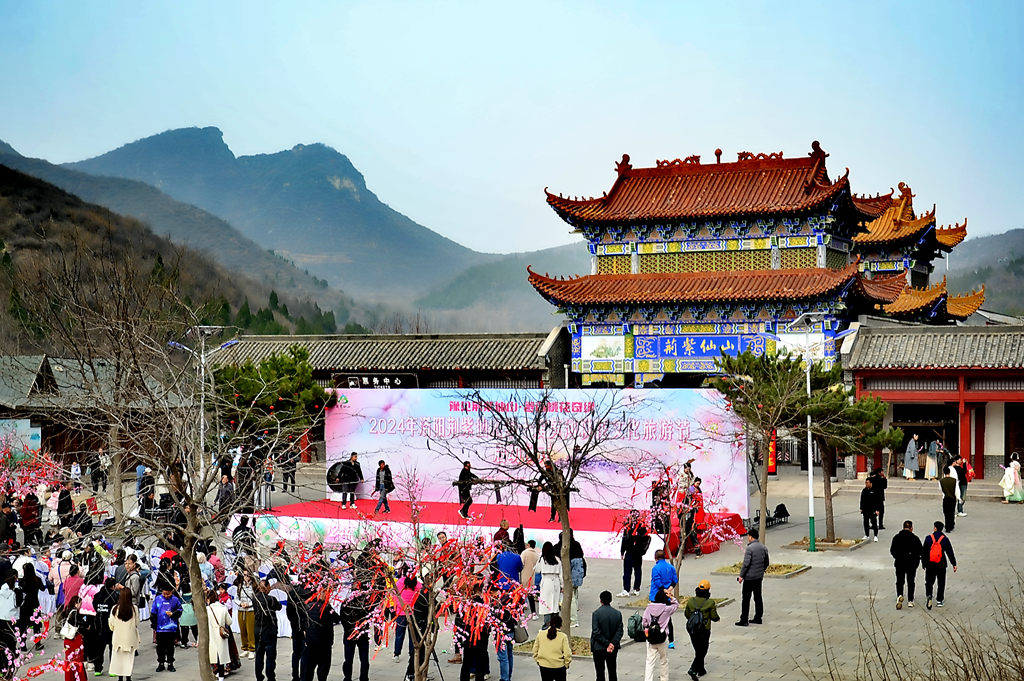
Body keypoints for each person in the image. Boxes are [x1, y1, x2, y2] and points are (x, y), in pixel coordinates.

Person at [683, 579, 720, 681]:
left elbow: (686, 614)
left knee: (698, 649)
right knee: (703, 650)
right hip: (704, 629)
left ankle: (701, 669)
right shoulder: (710, 603)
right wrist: (717, 619)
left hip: (692, 629)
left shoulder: (691, 601)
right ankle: (693, 669)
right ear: (708, 591)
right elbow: (714, 616)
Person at [735, 527, 768, 626]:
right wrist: (761, 571)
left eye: (748, 536)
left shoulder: (749, 549)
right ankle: (758, 617)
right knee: (758, 597)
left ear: (750, 537)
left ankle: (744, 619)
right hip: (758, 577)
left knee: (746, 598)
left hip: (749, 578)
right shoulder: (763, 547)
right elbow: (766, 562)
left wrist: (741, 576)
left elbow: (746, 564)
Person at [642, 589, 677, 681]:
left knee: (650, 661)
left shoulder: (648, 608)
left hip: (651, 639)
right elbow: (676, 605)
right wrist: (672, 597)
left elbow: (644, 622)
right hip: (662, 637)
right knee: (663, 660)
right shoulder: (666, 609)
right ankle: (664, 678)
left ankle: (648, 679)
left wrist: (648, 629)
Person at [921, 521, 957, 609]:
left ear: (935, 528)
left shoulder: (928, 538)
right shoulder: (945, 539)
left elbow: (924, 552)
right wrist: (954, 563)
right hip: (941, 564)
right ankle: (939, 600)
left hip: (930, 564)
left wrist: (924, 563)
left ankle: (929, 595)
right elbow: (949, 552)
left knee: (929, 581)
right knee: (941, 582)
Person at [889, 520, 922, 610]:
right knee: (911, 581)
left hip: (899, 563)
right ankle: (910, 600)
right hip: (911, 564)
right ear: (911, 528)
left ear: (903, 527)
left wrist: (898, 557)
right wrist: (916, 561)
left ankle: (899, 595)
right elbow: (920, 551)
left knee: (900, 580)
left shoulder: (896, 537)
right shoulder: (915, 538)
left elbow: (892, 550)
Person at [253, 579, 282, 681]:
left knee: (259, 655)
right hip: (269, 630)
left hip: (258, 630)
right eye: (268, 587)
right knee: (270, 656)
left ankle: (259, 676)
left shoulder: (255, 598)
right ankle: (270, 676)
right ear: (265, 588)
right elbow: (279, 607)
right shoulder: (271, 599)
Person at [591, 590, 623, 681]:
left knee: (600, 673)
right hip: (613, 648)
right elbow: (620, 631)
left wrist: (607, 644)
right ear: (611, 600)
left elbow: (596, 632)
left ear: (600, 600)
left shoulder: (596, 614)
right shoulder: (617, 614)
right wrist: (612, 644)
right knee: (612, 671)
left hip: (599, 647)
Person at [109, 587, 139, 681]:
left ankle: (120, 678)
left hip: (118, 639)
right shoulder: (134, 609)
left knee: (119, 661)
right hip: (130, 639)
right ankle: (128, 678)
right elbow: (136, 623)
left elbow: (111, 626)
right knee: (128, 661)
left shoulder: (114, 609)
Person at [150, 583, 182, 672]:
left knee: (170, 647)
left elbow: (180, 610)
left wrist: (173, 614)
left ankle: (170, 663)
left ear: (171, 592)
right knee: (160, 647)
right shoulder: (158, 599)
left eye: (168, 594)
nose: (166, 596)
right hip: (160, 629)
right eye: (164, 594)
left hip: (171, 628)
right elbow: (153, 613)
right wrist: (154, 625)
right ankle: (161, 663)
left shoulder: (175, 600)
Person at [532, 613, 571, 681]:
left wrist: (538, 661)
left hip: (544, 666)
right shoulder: (563, 636)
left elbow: (535, 650)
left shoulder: (541, 634)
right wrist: (566, 664)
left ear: (549, 623)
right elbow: (567, 653)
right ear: (560, 625)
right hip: (559, 666)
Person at [619, 512, 651, 597]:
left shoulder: (642, 527)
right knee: (627, 572)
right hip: (629, 552)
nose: (633, 518)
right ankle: (626, 589)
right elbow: (624, 539)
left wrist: (642, 551)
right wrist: (622, 551)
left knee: (637, 571)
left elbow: (645, 539)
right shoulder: (627, 527)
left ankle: (636, 588)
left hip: (637, 553)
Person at [207, 591, 232, 681]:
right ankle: (221, 675)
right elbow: (229, 622)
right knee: (221, 655)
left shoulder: (207, 609)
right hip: (221, 634)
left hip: (211, 633)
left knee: (214, 654)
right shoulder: (223, 608)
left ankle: (216, 672)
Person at [63, 595, 88, 681]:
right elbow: (78, 624)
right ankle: (80, 678)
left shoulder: (67, 611)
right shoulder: (75, 613)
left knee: (69, 660)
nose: (81, 605)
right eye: (80, 603)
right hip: (75, 639)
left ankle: (70, 678)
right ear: (76, 603)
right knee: (78, 660)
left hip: (67, 639)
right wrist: (86, 625)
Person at [537, 541, 562, 627]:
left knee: (546, 604)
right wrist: (562, 586)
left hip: (546, 582)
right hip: (556, 582)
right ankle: (556, 624)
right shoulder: (557, 560)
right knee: (555, 603)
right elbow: (561, 575)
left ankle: (546, 625)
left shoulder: (542, 559)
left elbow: (536, 569)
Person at [521, 539, 540, 618]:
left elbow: (521, 563)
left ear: (528, 545)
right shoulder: (537, 555)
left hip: (524, 575)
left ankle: (521, 613)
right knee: (530, 595)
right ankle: (534, 613)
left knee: (521, 594)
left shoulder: (524, 553)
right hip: (532, 577)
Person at [939, 467, 958, 532]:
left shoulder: (941, 481)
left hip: (946, 498)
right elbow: (957, 491)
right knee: (952, 512)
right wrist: (958, 498)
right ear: (949, 472)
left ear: (944, 473)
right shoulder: (954, 480)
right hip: (952, 498)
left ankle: (947, 527)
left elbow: (941, 490)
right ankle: (951, 525)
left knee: (946, 513)